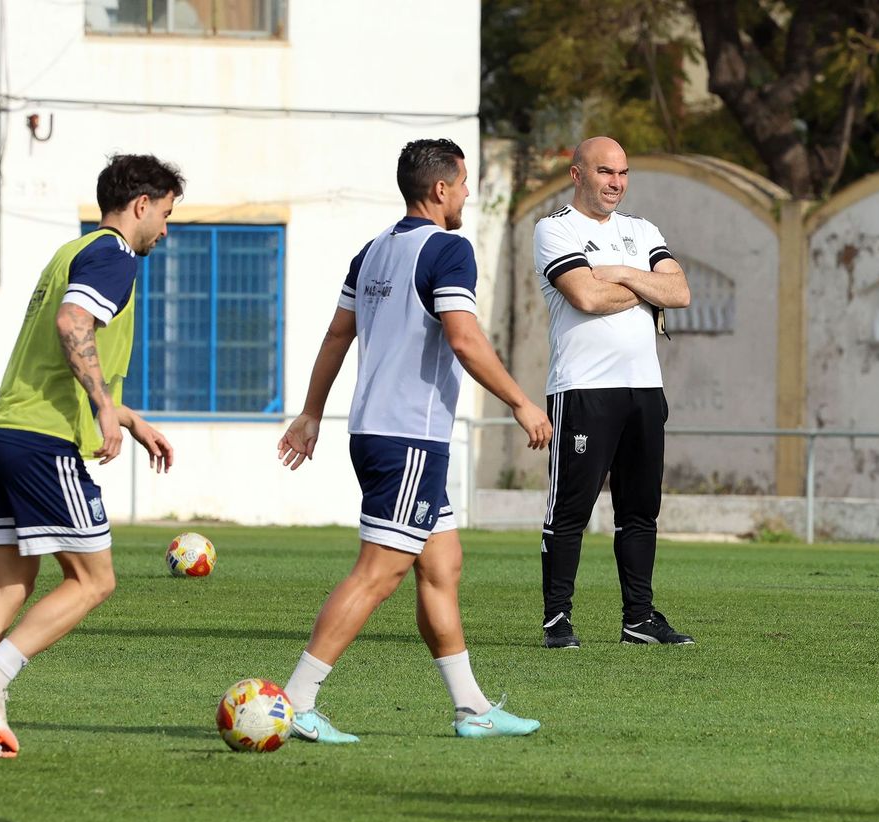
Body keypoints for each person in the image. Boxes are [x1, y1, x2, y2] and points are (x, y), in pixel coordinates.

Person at [275, 139, 552, 743]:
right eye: (464, 183)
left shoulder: (372, 251)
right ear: (441, 190)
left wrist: (312, 413)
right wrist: (522, 402)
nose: (469, 194)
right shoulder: (449, 250)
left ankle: (471, 707)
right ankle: (295, 700)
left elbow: (335, 336)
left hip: (379, 430)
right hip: (408, 438)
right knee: (378, 573)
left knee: (442, 564)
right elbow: (465, 339)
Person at [0, 154, 183, 758]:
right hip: (41, 442)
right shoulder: (114, 255)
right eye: (168, 215)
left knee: (7, 586)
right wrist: (104, 407)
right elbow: (74, 324)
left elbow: (60, 353)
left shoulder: (67, 254)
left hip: (0, 432)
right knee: (93, 580)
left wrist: (127, 415)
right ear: (142, 205)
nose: (167, 231)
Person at [533, 136, 693, 649]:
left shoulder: (641, 231)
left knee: (641, 510)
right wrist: (647, 286)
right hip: (583, 390)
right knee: (570, 511)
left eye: (623, 173)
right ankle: (558, 621)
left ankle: (639, 619)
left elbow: (681, 293)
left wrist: (623, 273)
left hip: (644, 391)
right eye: (605, 172)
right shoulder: (553, 229)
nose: (616, 183)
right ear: (577, 174)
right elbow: (584, 296)